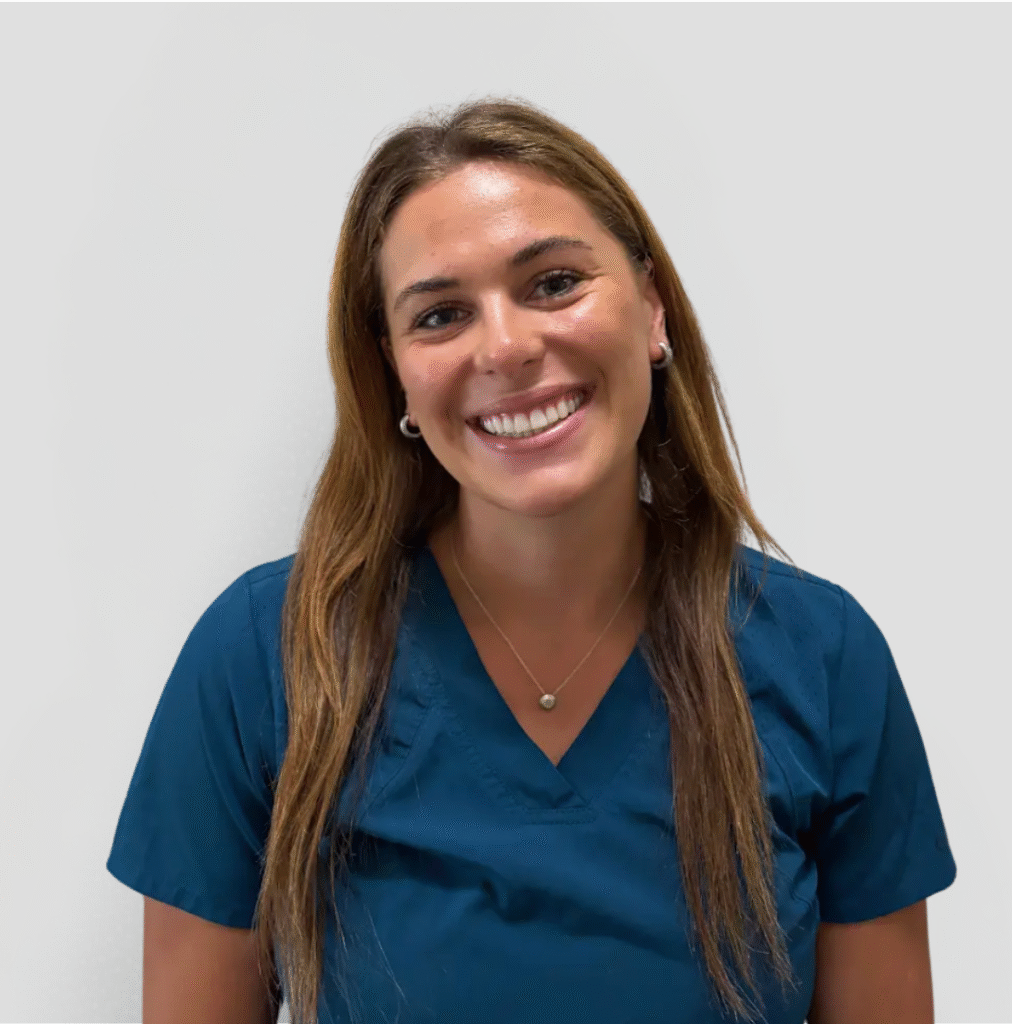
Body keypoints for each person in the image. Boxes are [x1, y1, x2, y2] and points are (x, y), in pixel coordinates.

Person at [107, 96, 957, 1024]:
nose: (506, 347)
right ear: (394, 371)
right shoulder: (266, 657)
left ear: (654, 311)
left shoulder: (825, 659)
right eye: (440, 315)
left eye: (553, 283)